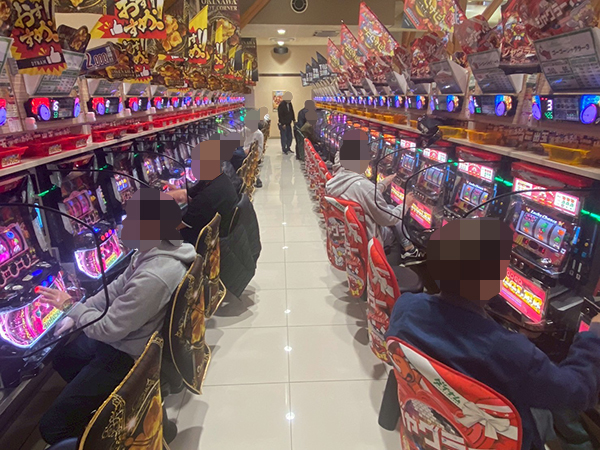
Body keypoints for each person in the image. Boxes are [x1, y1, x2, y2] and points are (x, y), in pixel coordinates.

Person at [385, 218, 600, 450]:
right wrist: (593, 336)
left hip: (436, 425)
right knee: (558, 415)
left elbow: (461, 333)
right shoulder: (510, 352)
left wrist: (513, 334)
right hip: (491, 436)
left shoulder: (406, 306)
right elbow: (578, 392)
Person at [38, 189, 196, 444]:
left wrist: (70, 307)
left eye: (130, 220)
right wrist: (78, 311)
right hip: (135, 337)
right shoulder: (155, 251)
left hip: (132, 355)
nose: (122, 225)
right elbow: (115, 289)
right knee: (65, 357)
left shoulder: (154, 276)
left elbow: (109, 329)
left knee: (51, 427)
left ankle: (106, 435)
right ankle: (106, 410)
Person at [325, 129, 418, 262]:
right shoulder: (365, 187)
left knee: (391, 208)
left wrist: (383, 184)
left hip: (348, 233)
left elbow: (364, 194)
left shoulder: (335, 181)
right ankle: (393, 262)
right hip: (368, 237)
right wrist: (406, 204)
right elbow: (389, 219)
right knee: (395, 218)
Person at [169, 138, 240, 244]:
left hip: (204, 242)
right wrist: (172, 193)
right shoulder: (218, 178)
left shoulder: (208, 196)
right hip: (220, 233)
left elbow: (178, 225)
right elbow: (187, 194)